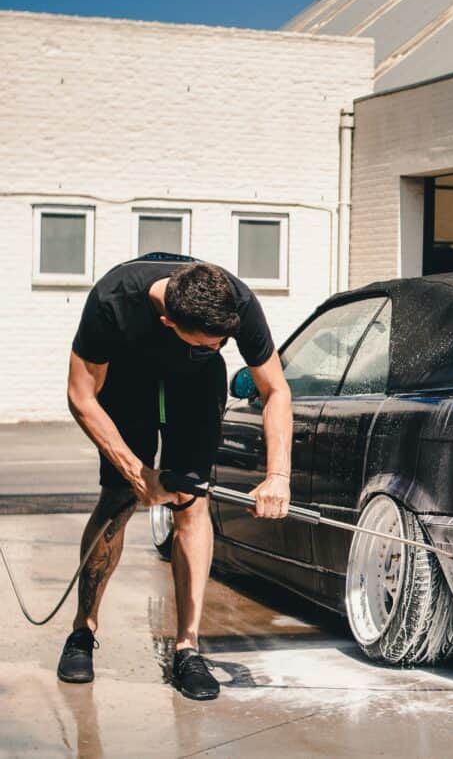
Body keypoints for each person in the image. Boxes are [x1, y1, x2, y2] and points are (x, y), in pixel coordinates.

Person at [57, 254, 293, 701]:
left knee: (192, 502)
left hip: (195, 388)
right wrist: (136, 472)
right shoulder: (113, 300)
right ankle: (82, 633)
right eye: (210, 342)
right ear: (168, 321)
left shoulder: (235, 299)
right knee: (117, 500)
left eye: (224, 340)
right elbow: (81, 395)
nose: (220, 345)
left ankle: (187, 648)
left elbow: (275, 389)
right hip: (128, 382)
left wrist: (277, 475)